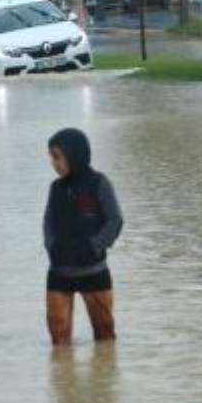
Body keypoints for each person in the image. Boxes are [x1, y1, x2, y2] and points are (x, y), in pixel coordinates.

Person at [44, 128, 124, 345]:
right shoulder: (55, 188)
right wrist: (52, 246)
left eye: (58, 157)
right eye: (51, 157)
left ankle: (104, 379)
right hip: (59, 273)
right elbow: (48, 223)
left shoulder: (99, 183)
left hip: (94, 271)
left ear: (74, 155)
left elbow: (114, 220)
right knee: (59, 342)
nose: (54, 163)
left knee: (105, 339)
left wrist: (94, 246)